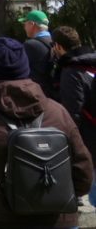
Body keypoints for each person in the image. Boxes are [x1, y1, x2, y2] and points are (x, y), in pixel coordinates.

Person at [0, 37, 93, 228]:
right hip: (58, 219)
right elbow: (84, 170)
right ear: (26, 68)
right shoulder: (57, 112)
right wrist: (55, 195)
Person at [50, 25, 96, 207]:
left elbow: (72, 112)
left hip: (90, 139)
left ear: (59, 47)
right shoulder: (91, 63)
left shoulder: (71, 71)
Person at [18, 9, 55, 99]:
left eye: (25, 23)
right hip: (55, 94)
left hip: (38, 96)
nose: (24, 27)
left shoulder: (30, 45)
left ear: (32, 24)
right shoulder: (55, 42)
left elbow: (20, 72)